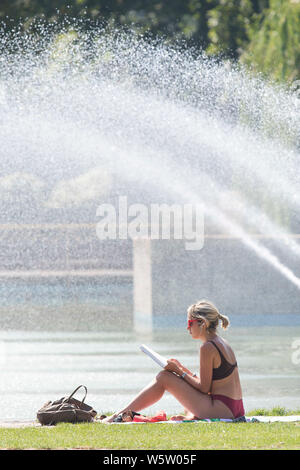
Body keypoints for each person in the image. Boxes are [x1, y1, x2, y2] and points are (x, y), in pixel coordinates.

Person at [101, 300, 244, 423]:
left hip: (222, 411)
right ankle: (121, 414)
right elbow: (212, 385)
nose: (187, 327)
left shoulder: (208, 347)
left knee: (164, 377)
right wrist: (182, 369)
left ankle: (118, 415)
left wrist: (177, 370)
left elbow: (204, 388)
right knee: (171, 377)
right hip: (233, 408)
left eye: (190, 323)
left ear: (202, 323)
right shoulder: (222, 342)